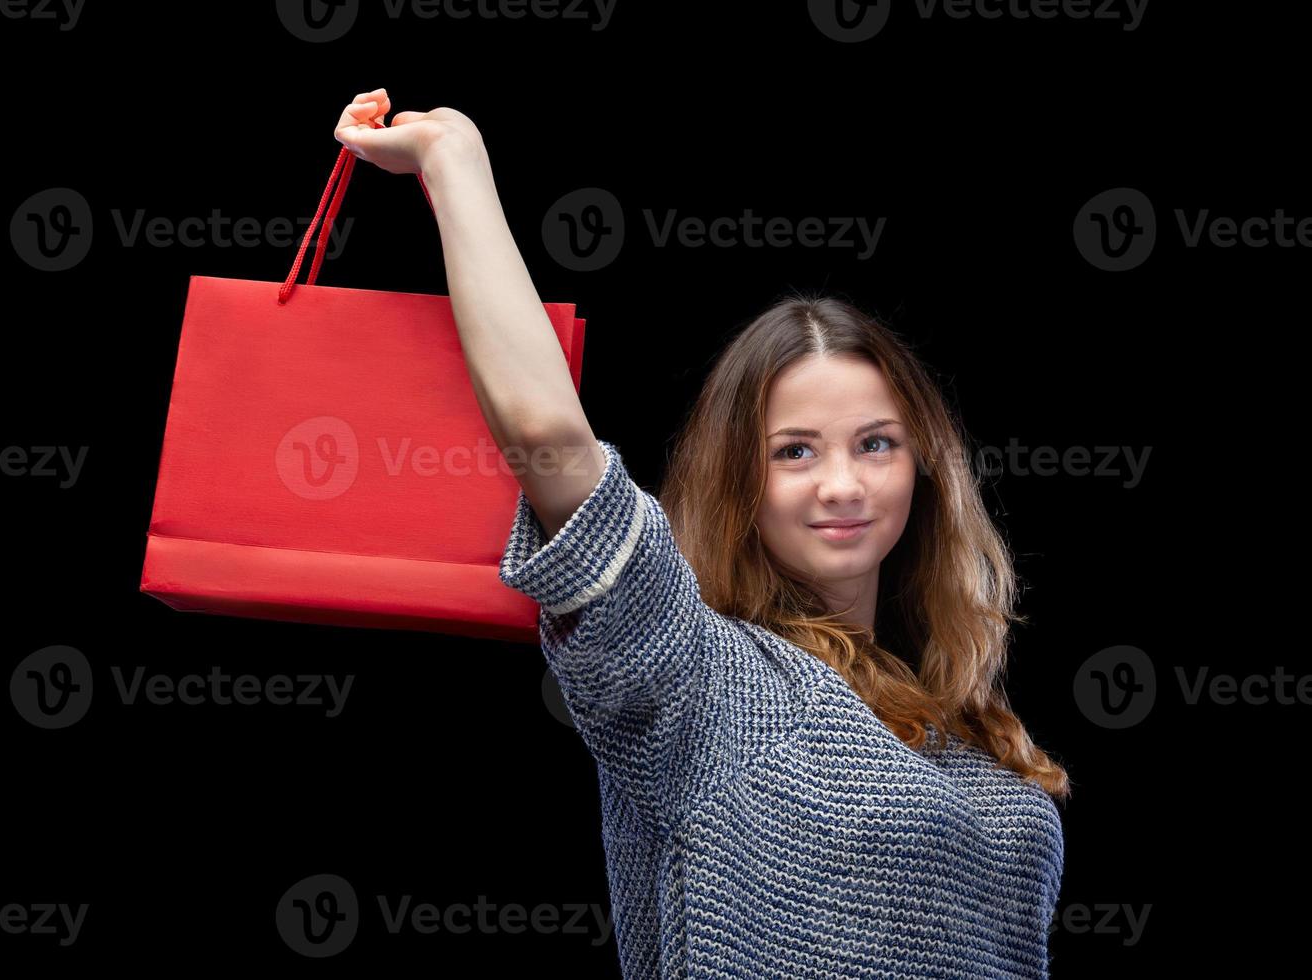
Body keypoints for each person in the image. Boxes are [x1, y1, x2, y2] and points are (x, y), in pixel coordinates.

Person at [335, 88, 1071, 979]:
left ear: (923, 465)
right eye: (794, 452)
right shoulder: (704, 682)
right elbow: (546, 439)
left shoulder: (984, 738)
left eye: (875, 444)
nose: (843, 484)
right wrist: (457, 165)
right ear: (738, 483)